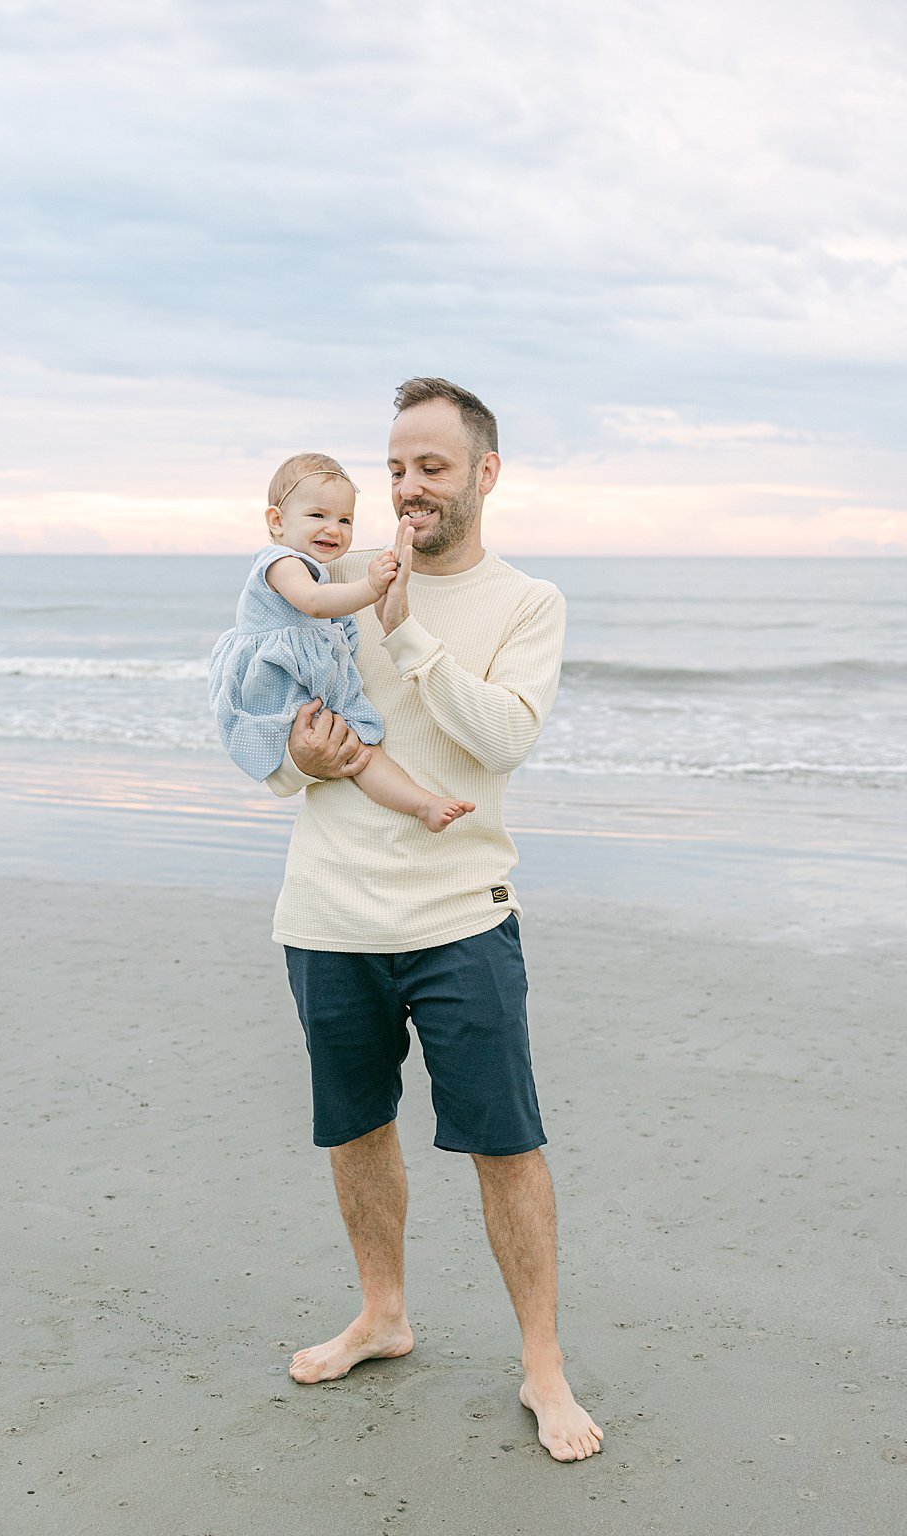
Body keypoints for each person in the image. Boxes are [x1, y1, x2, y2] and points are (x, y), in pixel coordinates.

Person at [265, 379, 601, 1462]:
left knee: (503, 1144)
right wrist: (294, 761)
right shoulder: (318, 589)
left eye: (430, 467)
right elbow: (264, 740)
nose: (406, 489)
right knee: (355, 1129)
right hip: (326, 914)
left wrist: (404, 631)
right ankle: (381, 1316)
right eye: (395, 467)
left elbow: (501, 740)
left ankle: (540, 1366)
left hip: (460, 915)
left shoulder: (525, 601)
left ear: (483, 475)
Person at [208, 452, 475, 831]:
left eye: (345, 520)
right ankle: (420, 803)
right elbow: (314, 604)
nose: (334, 529)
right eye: (318, 516)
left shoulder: (322, 570)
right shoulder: (280, 562)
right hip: (276, 680)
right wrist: (370, 587)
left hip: (308, 680)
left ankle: (423, 804)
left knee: (360, 750)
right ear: (277, 521)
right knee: (348, 746)